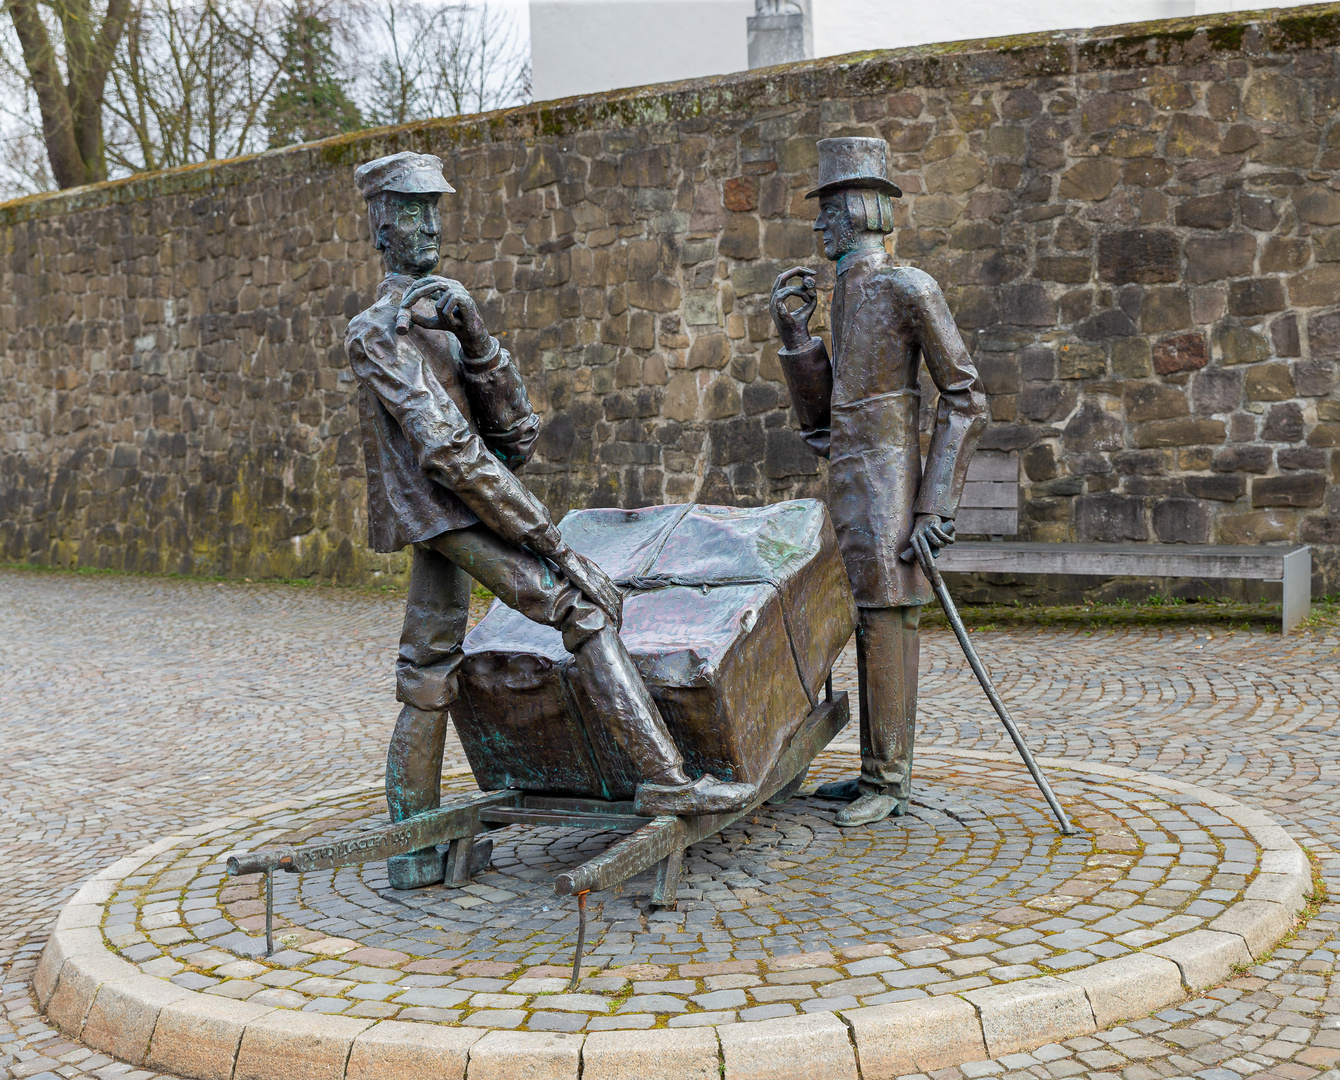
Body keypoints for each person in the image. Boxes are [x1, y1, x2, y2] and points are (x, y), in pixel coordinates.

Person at [345, 152, 754, 886]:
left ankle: (414, 851)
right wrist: (550, 541)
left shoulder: (441, 317)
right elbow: (448, 450)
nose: (428, 225)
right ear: (379, 224)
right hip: (450, 511)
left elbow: (517, 439)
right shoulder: (377, 331)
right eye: (410, 211)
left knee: (427, 667)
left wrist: (479, 343)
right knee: (582, 607)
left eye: (434, 209)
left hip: (458, 505)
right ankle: (665, 778)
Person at [769, 137, 987, 827]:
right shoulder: (844, 293)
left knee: (890, 622)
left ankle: (891, 778)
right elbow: (826, 424)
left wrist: (935, 507)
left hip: (893, 486)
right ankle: (871, 771)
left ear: (862, 210)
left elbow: (965, 397)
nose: (819, 224)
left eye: (830, 207)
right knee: (864, 620)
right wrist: (797, 339)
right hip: (851, 481)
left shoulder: (908, 287)